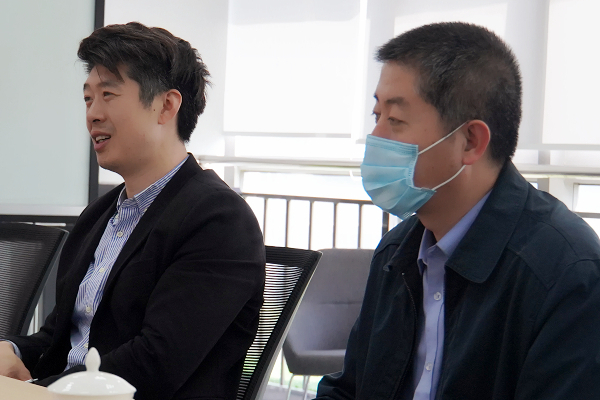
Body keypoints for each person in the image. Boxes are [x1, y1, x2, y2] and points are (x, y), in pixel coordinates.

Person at [316, 22, 600, 400]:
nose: (375, 138)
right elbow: (350, 389)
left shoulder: (567, 273)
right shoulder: (397, 252)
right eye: (376, 115)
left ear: (470, 141)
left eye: (395, 120)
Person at [0, 22, 265, 400]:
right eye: (88, 98)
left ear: (167, 105)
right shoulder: (99, 216)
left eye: (108, 94)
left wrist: (34, 391)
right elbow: (60, 338)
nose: (92, 114)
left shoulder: (218, 220)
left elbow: (156, 363)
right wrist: (11, 351)